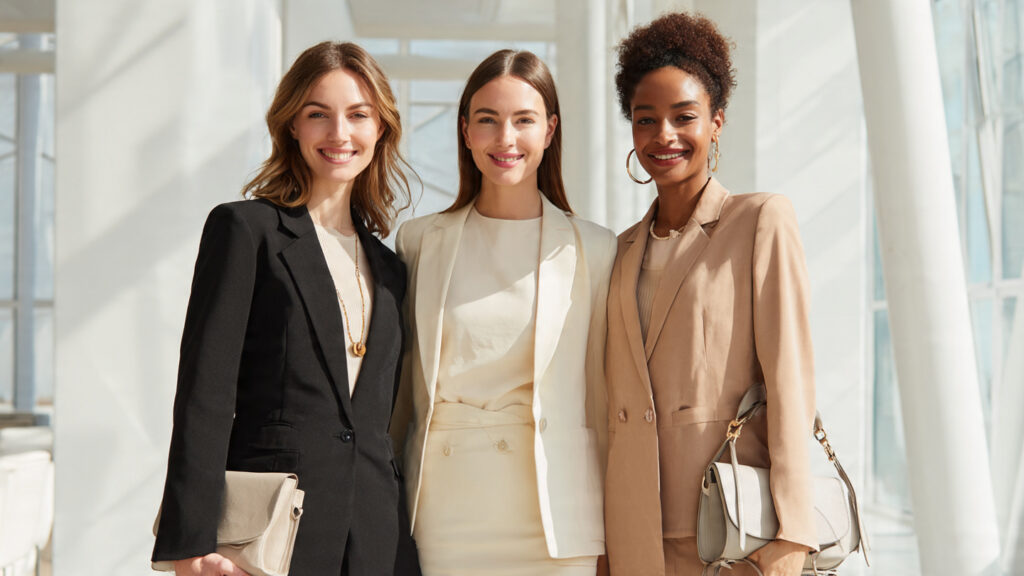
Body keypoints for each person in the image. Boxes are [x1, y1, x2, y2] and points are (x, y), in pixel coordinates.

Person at [151, 41, 420, 576]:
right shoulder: (246, 231)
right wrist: (190, 542)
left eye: (358, 115)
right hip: (271, 535)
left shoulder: (392, 268)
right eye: (317, 114)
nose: (338, 134)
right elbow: (205, 392)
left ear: (381, 129)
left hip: (375, 536)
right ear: (291, 125)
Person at [602, 13, 818, 576]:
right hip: (634, 532)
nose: (664, 136)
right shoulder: (620, 252)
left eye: (684, 117)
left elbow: (789, 380)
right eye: (645, 120)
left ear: (716, 122)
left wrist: (794, 532)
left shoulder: (759, 219)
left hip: (730, 530)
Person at [390, 49, 616, 576]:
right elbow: (399, 394)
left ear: (550, 130)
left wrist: (610, 527)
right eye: (487, 120)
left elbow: (604, 398)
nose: (505, 139)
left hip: (554, 518)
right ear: (466, 131)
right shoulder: (420, 241)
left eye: (524, 120)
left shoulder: (595, 249)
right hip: (443, 513)